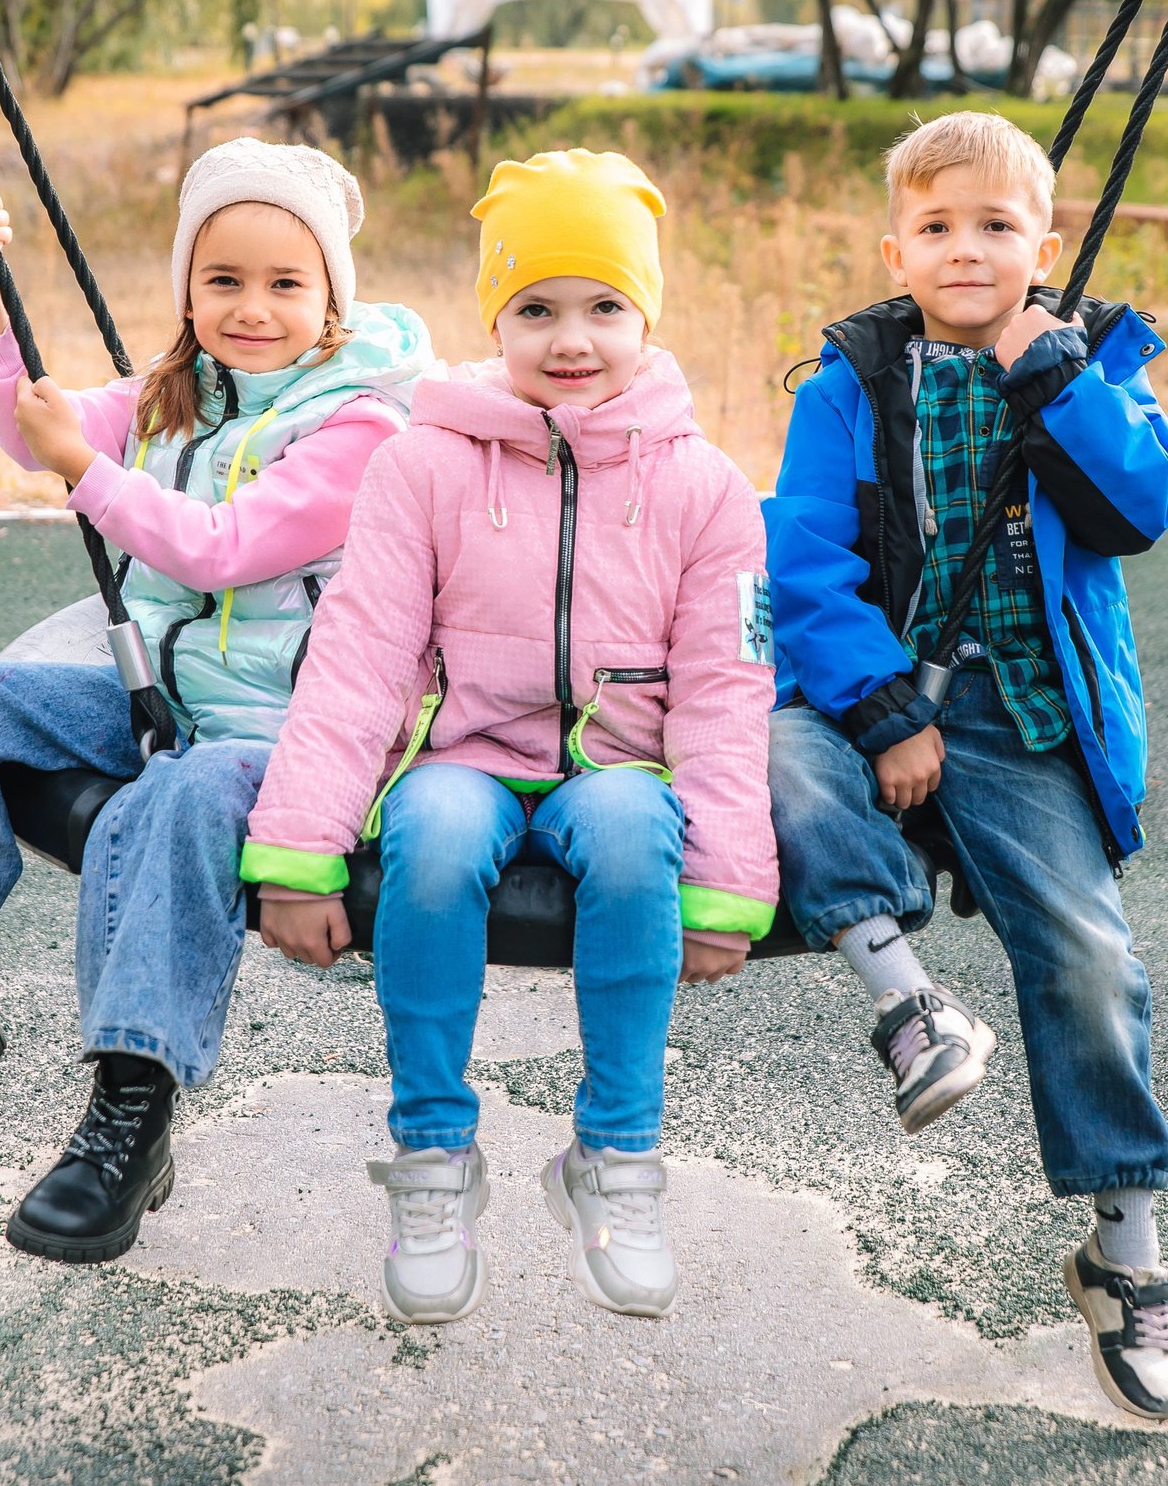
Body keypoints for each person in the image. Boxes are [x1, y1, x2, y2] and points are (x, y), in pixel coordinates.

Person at [0, 139, 434, 1268]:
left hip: (288, 738)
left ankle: (131, 1109)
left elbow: (231, 548)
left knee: (176, 799)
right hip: (173, 696)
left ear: (333, 296)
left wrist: (89, 475)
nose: (251, 308)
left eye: (285, 284)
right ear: (187, 285)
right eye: (222, 280)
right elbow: (28, 424)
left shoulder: (361, 427)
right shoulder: (172, 395)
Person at [237, 150, 774, 1325]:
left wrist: (729, 877)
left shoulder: (707, 488)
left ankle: (615, 1157)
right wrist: (297, 845)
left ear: (647, 317)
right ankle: (433, 1154)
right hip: (460, 758)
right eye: (535, 308)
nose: (570, 338)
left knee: (639, 836)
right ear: (496, 318)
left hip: (617, 767)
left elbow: (727, 692)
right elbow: (361, 656)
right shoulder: (421, 466)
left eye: (604, 307)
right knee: (428, 836)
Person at [764, 111, 1168, 1420]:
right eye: (938, 227)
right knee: (772, 753)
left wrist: (1052, 377)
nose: (966, 250)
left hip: (1020, 719)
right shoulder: (846, 382)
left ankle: (1125, 1246)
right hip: (873, 699)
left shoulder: (1084, 364)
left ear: (1042, 246)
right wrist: (884, 707)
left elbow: (1145, 506)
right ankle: (909, 1006)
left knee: (1088, 954)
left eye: (996, 228)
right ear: (897, 244)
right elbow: (805, 567)